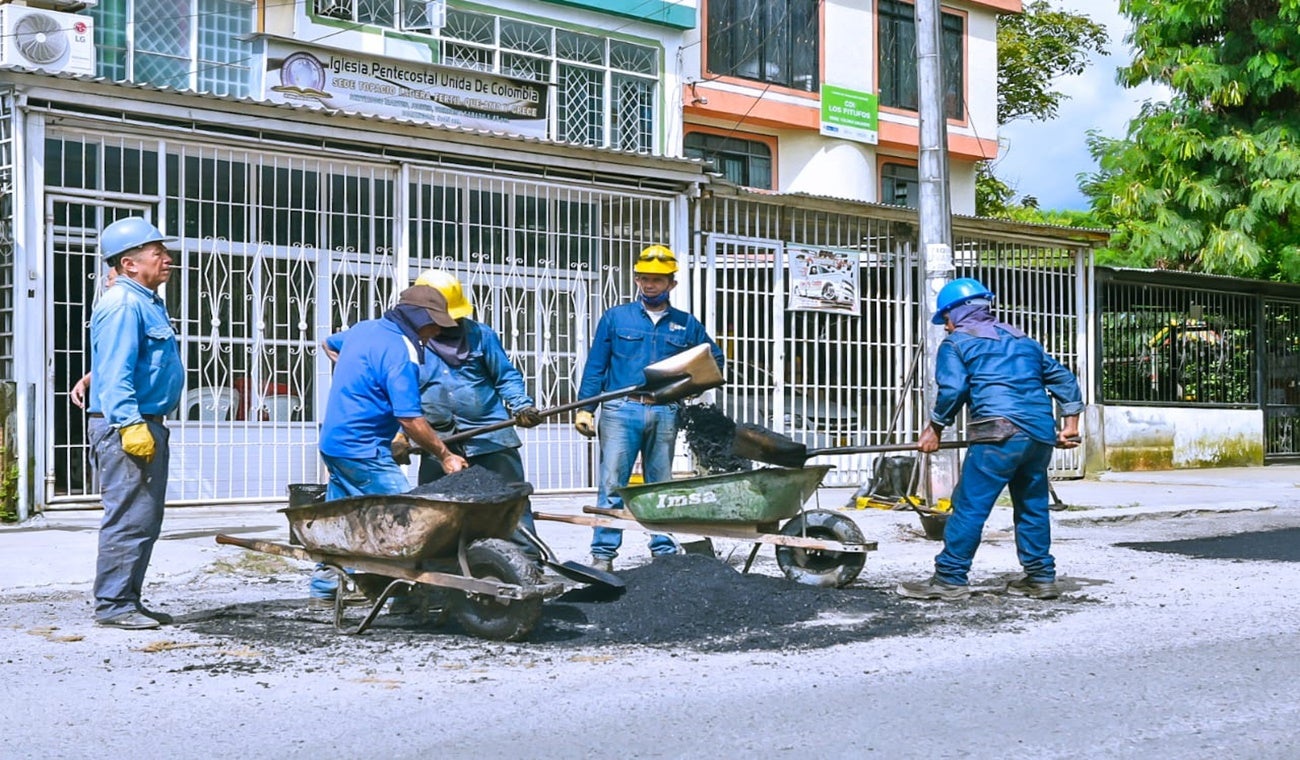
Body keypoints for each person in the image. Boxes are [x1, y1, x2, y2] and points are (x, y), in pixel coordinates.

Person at [896, 277, 1083, 602]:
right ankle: (1040, 578)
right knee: (1032, 506)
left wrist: (934, 428)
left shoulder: (957, 343)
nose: (947, 327)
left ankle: (950, 578)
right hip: (1040, 435)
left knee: (970, 506)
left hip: (998, 433)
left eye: (947, 320)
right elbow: (1064, 379)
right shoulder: (1023, 340)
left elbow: (954, 390)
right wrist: (1070, 426)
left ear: (956, 313)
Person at [312, 284, 470, 603]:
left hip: (334, 444)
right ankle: (399, 597)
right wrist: (444, 455)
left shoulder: (364, 330)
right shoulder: (402, 351)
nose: (437, 331)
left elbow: (329, 344)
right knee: (402, 520)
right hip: (363, 451)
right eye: (435, 323)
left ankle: (326, 586)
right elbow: (410, 418)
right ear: (417, 317)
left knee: (341, 519)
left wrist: (358, 377)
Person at [575, 245, 725, 572]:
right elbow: (596, 365)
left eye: (657, 280)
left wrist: (687, 386)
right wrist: (585, 408)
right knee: (613, 484)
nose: (649, 285)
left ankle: (663, 549)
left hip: (664, 411)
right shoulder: (616, 318)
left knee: (660, 484)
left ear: (671, 283)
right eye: (644, 279)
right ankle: (603, 554)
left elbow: (715, 359)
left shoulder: (686, 325)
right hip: (620, 409)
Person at [389, 270, 544, 555]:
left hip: (491, 437)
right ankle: (445, 576)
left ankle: (528, 563)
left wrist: (521, 405)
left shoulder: (480, 335)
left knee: (511, 504)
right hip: (438, 442)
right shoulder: (410, 344)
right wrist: (401, 436)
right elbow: (403, 397)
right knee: (437, 514)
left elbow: (505, 376)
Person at [86, 217, 185, 630]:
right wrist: (128, 422)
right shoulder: (124, 303)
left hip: (144, 421)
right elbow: (117, 369)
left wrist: (95, 378)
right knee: (129, 519)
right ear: (128, 264)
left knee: (143, 519)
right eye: (156, 252)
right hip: (130, 424)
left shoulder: (144, 300)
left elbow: (125, 361)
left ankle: (127, 599)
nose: (167, 259)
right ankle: (113, 606)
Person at [70, 267, 119, 410]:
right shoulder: (113, 312)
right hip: (116, 414)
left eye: (110, 279)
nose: (106, 284)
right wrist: (85, 382)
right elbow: (112, 361)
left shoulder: (126, 309)